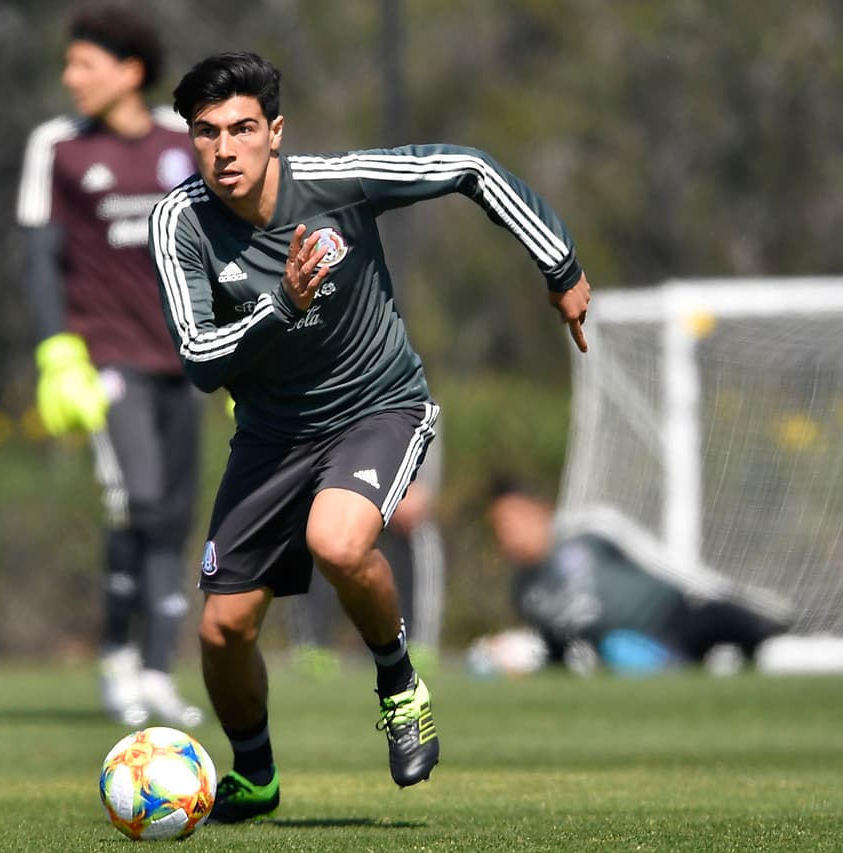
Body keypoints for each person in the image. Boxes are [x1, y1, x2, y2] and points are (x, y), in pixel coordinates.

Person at [148, 52, 591, 822]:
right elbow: (198, 360)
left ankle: (397, 681)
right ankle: (254, 775)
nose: (225, 149)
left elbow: (467, 167)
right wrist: (283, 304)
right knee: (222, 631)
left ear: (275, 131)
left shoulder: (336, 183)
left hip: (378, 407)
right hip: (269, 437)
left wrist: (559, 263)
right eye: (207, 132)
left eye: (243, 128)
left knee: (339, 541)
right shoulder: (180, 222)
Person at [16, 6, 203, 728]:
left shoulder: (181, 142)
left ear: (129, 71)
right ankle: (117, 660)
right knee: (141, 501)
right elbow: (40, 258)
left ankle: (156, 671)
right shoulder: (57, 147)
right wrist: (56, 351)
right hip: (105, 358)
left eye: (83, 64)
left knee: (174, 518)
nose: (70, 78)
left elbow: (216, 249)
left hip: (183, 359)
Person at [485, 481, 790, 673]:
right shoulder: (524, 592)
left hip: (678, 614)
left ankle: (759, 622)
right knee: (625, 651)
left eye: (515, 520)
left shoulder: (589, 532)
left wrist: (721, 591)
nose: (510, 533)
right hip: (636, 652)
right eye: (500, 527)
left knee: (747, 628)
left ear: (540, 511)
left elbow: (663, 562)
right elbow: (557, 651)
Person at [289, 437, 447, 678]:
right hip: (338, 460)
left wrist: (412, 483)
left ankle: (419, 644)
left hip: (393, 442)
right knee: (315, 527)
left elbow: (421, 414)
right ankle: (313, 646)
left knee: (416, 523)